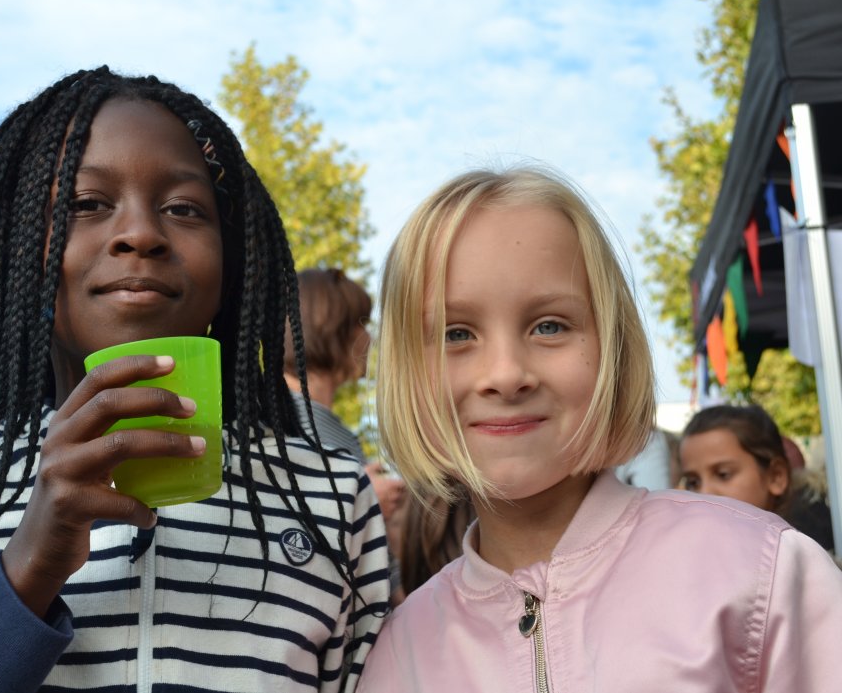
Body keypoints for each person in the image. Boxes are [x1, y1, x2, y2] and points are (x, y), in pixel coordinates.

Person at [0, 68, 389, 692]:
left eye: (183, 208)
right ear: (18, 252)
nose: (140, 234)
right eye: (86, 205)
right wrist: (26, 572)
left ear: (233, 261)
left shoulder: (329, 495)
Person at [357, 166, 842, 691]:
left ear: (614, 344)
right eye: (456, 334)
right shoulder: (402, 651)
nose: (505, 375)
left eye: (549, 326)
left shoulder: (760, 571)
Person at [283, 267, 406, 596]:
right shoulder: (278, 421)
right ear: (329, 327)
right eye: (360, 324)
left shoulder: (331, 427)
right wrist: (362, 502)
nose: (371, 338)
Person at [680, 404, 836, 553]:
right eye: (693, 483)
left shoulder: (810, 552)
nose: (703, 493)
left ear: (776, 476)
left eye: (723, 474)